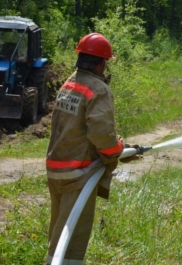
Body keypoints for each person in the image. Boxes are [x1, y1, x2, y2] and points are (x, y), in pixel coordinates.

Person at [45, 33, 123, 264]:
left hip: (56, 169)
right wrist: (115, 150)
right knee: (72, 240)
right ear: (101, 63)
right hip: (79, 173)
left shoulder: (69, 83)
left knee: (59, 233)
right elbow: (101, 135)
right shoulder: (97, 89)